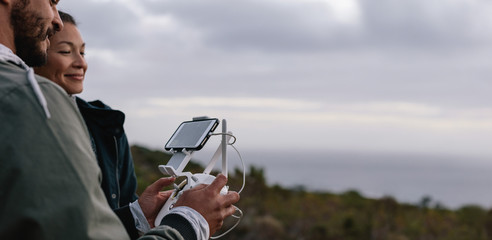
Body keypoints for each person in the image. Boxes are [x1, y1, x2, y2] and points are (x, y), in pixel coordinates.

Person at [0, 0, 239, 239]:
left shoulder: (107, 124)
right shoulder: (33, 100)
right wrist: (189, 222)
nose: (56, 20)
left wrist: (135, 216)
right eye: (51, 1)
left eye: (83, 52)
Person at [34, 11, 144, 239]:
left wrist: (140, 212)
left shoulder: (107, 125)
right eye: (66, 51)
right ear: (34, 55)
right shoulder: (24, 123)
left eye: (83, 52)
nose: (81, 63)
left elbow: (122, 204)